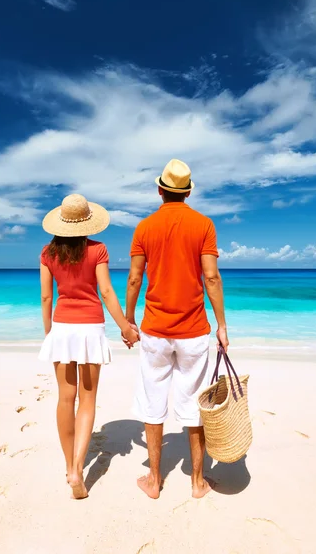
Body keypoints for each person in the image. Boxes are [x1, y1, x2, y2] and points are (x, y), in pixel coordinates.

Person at [124, 159, 229, 500]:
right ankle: (197, 482)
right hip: (195, 330)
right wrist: (222, 325)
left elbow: (135, 277)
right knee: (194, 405)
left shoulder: (144, 227)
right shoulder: (203, 225)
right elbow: (211, 277)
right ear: (186, 192)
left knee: (153, 401)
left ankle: (154, 480)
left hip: (155, 329)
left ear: (160, 190)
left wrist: (128, 319)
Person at [39, 194, 139, 500]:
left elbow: (46, 297)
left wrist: (50, 334)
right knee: (88, 399)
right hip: (90, 328)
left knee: (64, 399)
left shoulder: (47, 252)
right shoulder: (98, 249)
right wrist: (126, 326)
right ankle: (78, 469)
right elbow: (106, 291)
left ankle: (69, 465)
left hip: (63, 328)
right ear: (87, 222)